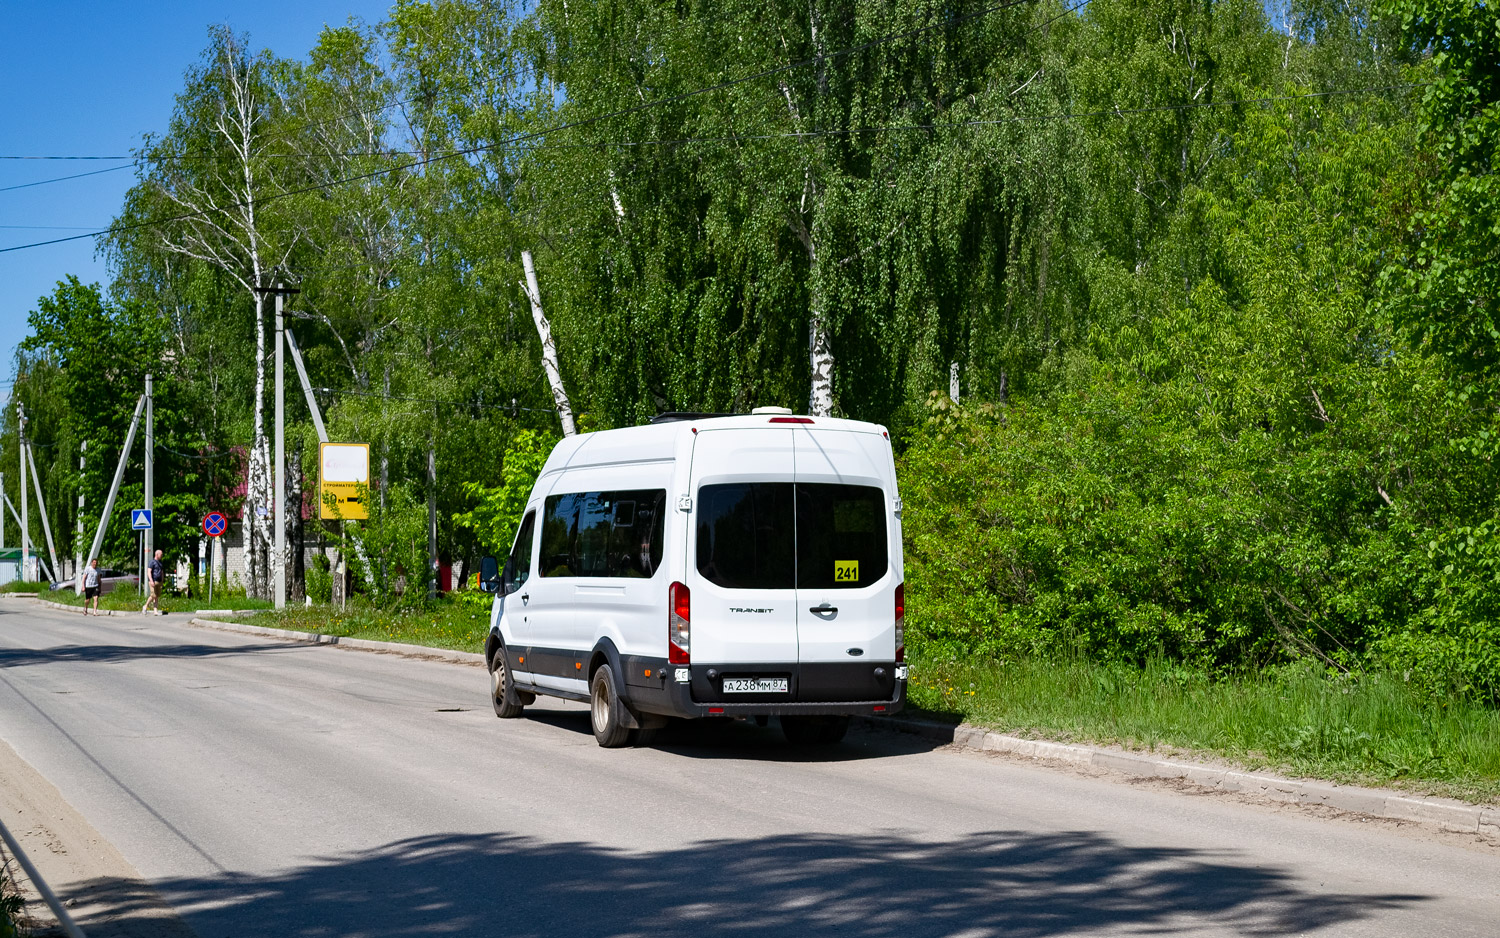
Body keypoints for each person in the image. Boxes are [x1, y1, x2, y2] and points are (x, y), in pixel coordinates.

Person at [143, 549, 166, 615]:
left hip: (159, 581)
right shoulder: (152, 562)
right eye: (161, 554)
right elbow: (149, 572)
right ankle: (145, 606)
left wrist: (162, 580)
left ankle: (155, 610)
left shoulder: (160, 563)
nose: (162, 556)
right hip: (153, 581)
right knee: (153, 595)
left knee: (157, 596)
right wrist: (151, 580)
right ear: (157, 554)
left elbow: (162, 572)